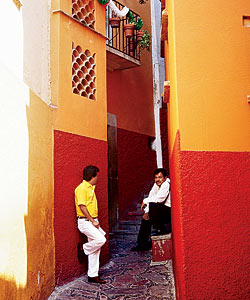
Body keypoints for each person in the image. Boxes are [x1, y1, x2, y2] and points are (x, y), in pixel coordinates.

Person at [75, 165, 107, 284]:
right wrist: (93, 221)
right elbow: (82, 206)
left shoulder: (89, 188)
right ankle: (83, 249)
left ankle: (93, 275)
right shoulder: (82, 188)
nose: (97, 178)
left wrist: (95, 221)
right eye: (96, 175)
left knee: (96, 249)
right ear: (92, 176)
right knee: (100, 240)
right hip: (86, 221)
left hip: (92, 221)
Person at [131, 168, 171, 252]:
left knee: (153, 205)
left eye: (160, 177)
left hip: (168, 212)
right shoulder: (156, 185)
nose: (158, 179)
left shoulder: (166, 184)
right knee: (145, 218)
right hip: (159, 210)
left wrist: (145, 201)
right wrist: (146, 212)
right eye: (156, 177)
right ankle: (142, 244)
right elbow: (151, 197)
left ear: (165, 177)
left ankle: (161, 229)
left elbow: (160, 198)